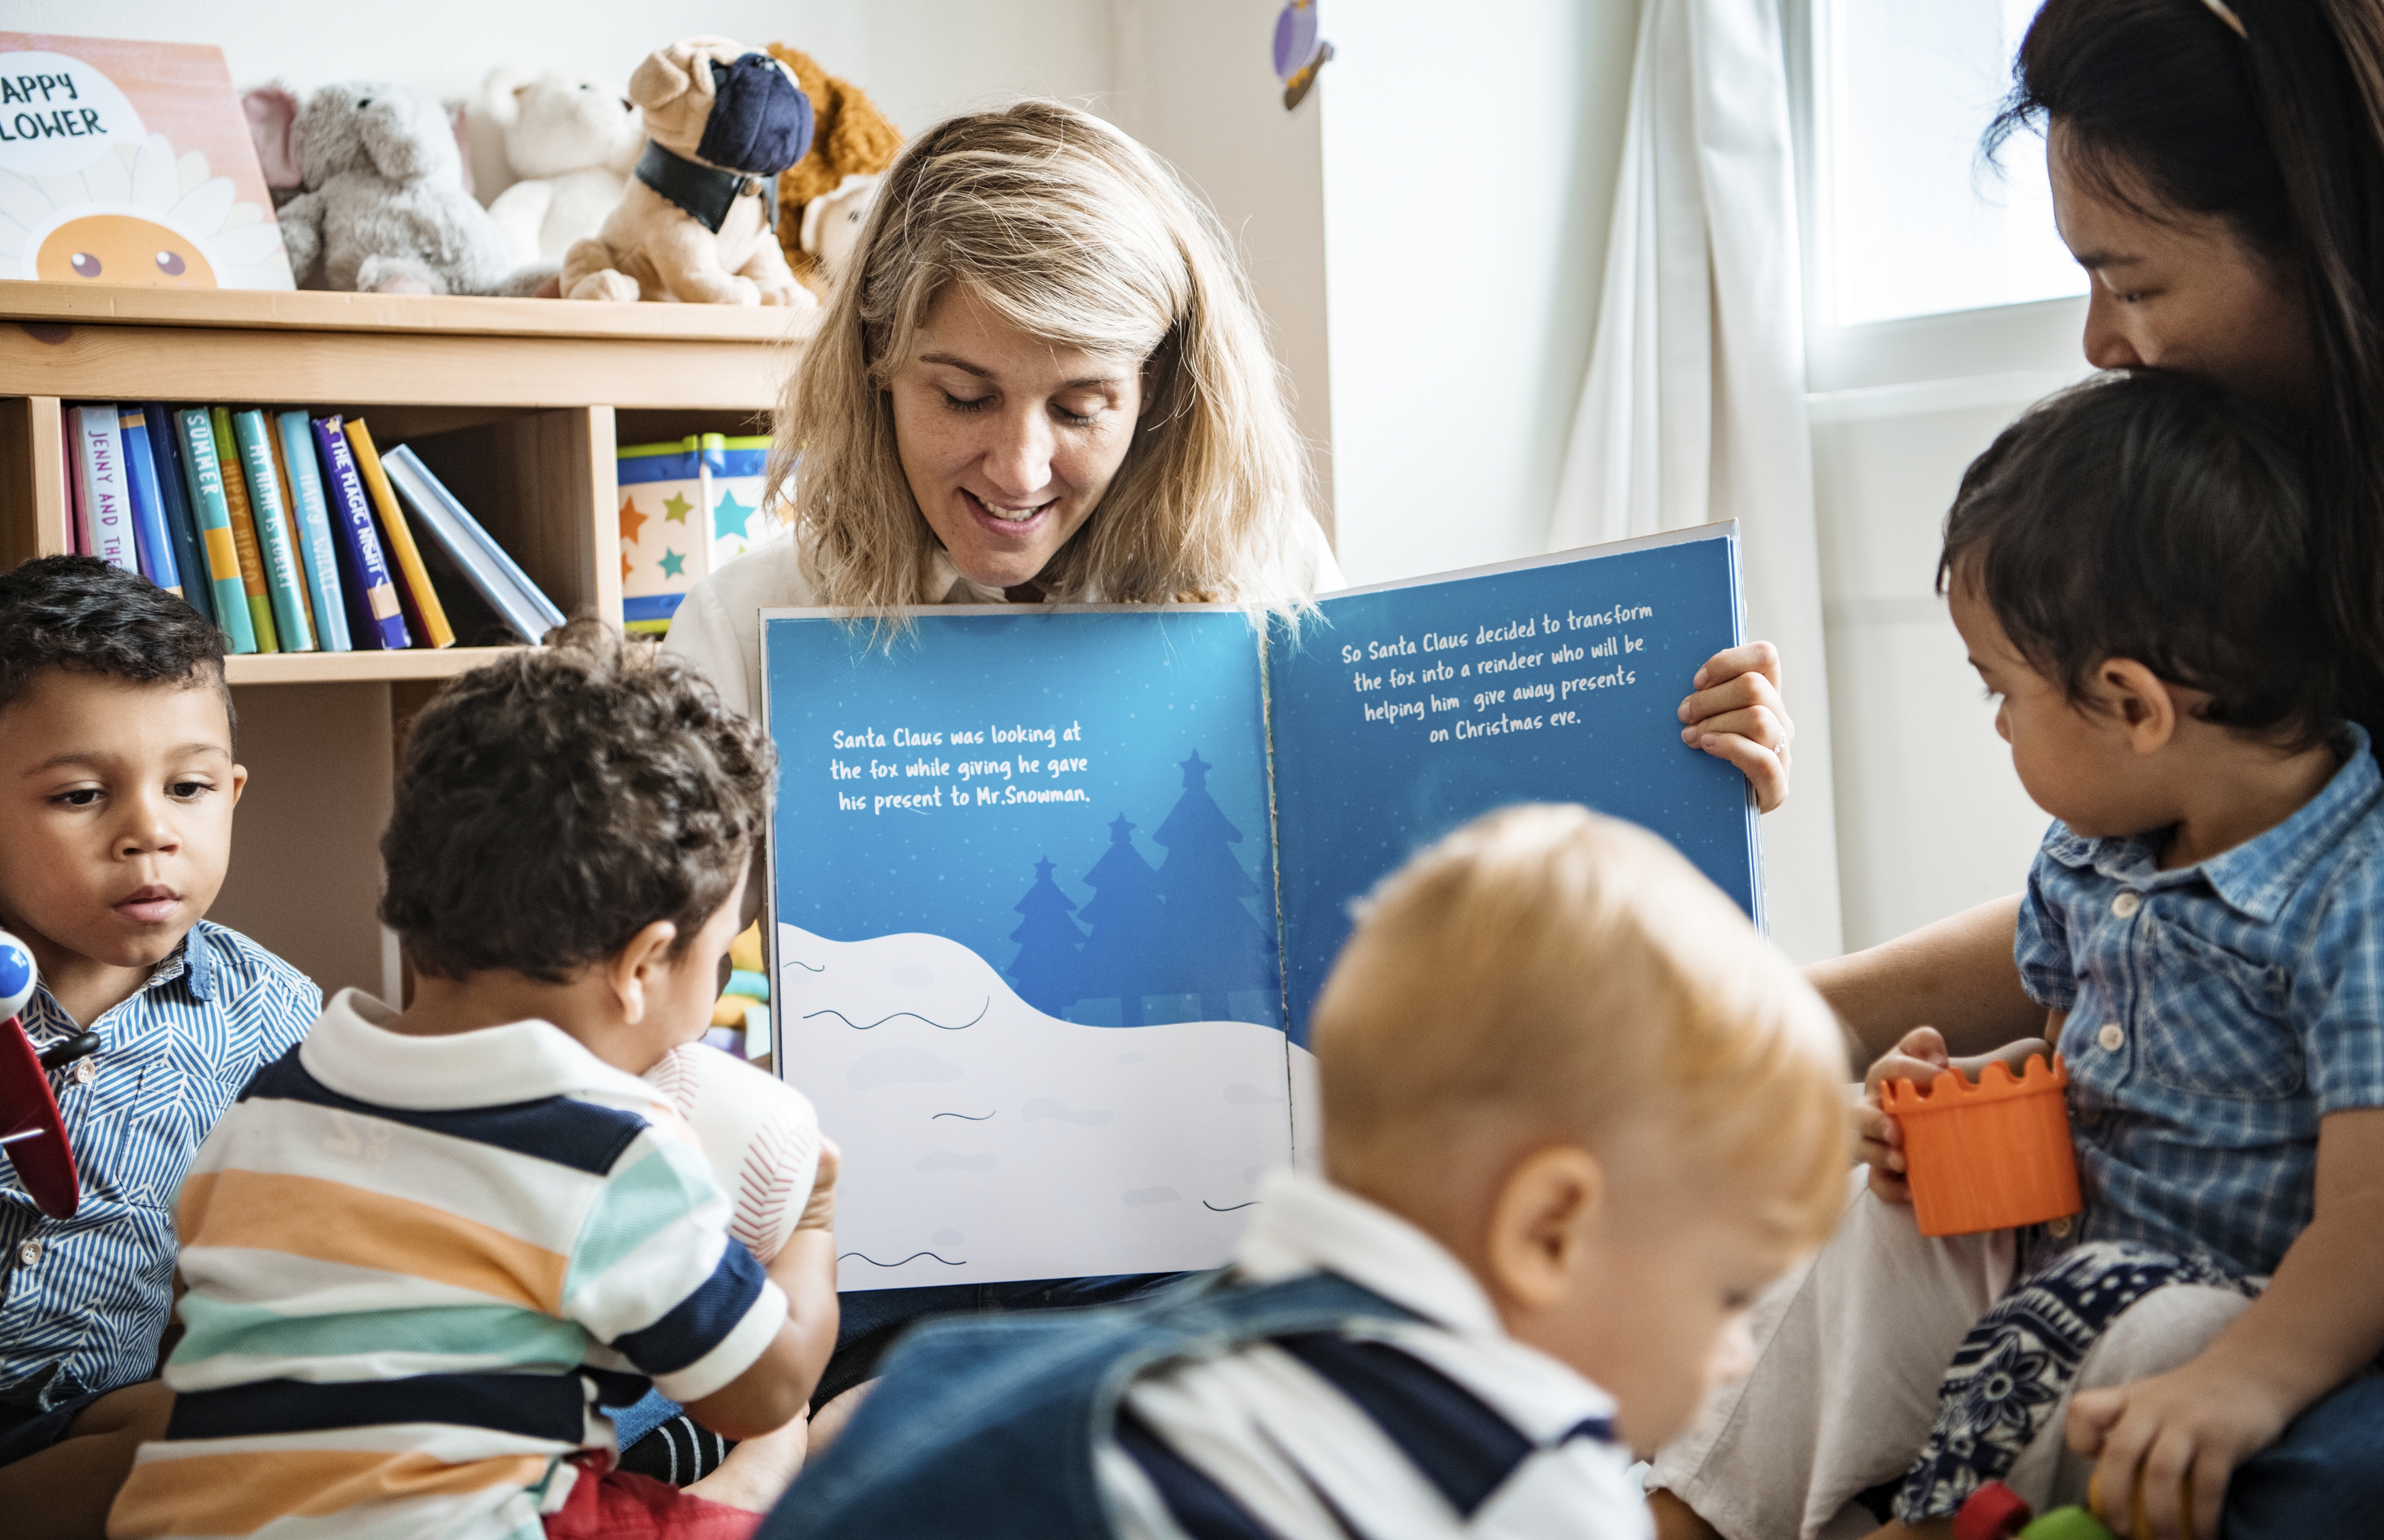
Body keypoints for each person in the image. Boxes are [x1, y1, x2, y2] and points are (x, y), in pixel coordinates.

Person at [661, 95, 1803, 1445]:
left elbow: (1430, 881)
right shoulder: (755, 621)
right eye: (961, 394)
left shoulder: (1259, 572)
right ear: (872, 364)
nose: (1016, 466)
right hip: (916, 1277)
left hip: (1239, 1250)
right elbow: (644, 986)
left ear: (1158, 392)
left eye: (1081, 404)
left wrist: (1672, 767)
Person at [1802, 3, 2384, 1530]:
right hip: (2141, 1243)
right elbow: (2154, 923)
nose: (2098, 341)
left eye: (2128, 279)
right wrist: (1814, 1024)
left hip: (2305, 1245)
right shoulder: (2261, 510)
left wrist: (2256, 1359)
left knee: (2257, 1456)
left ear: (2332, 250)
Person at [1652, 371, 2384, 1540]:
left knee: (2165, 1344)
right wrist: (1953, 1115)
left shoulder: (2353, 895)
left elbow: (2371, 1210)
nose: (1996, 724)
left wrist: (2248, 1377)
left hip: (2220, 1297)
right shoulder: (2092, 852)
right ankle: (1696, 1503)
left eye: (2003, 692)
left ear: (2133, 705)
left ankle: (1951, 1519)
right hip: (2051, 1241)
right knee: (1871, 1224)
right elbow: (2056, 1082)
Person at [753, 802, 1849, 1539]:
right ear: (1549, 1227)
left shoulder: (988, 1374)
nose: (1733, 1358)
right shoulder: (1525, 1476)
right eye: (1731, 1297)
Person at [104, 624, 840, 1540]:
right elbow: (764, 1382)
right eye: (718, 954)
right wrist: (807, 1223)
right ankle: (775, 1477)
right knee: (779, 1462)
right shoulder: (614, 1148)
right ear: (644, 963)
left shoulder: (265, 1104)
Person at [0, 556, 320, 1540]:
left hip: (93, 1409)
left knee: (236, 1435)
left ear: (232, 790)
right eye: (81, 796)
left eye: (187, 788)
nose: (150, 833)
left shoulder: (268, 1011)